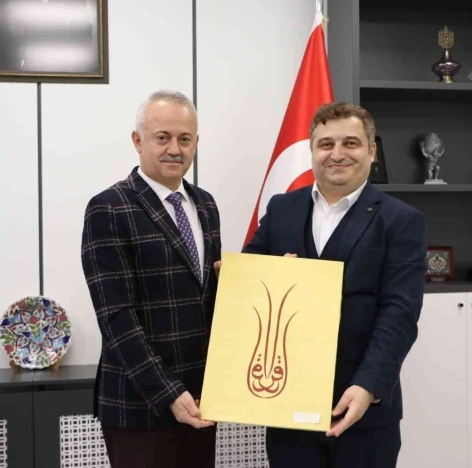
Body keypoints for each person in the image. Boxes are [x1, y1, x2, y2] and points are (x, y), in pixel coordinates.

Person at [241, 102, 427, 468]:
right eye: (325, 144)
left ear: (371, 151)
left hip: (363, 409)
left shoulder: (402, 220)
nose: (337, 154)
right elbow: (247, 285)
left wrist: (368, 386)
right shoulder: (281, 209)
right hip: (287, 406)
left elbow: (400, 312)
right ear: (311, 150)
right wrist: (266, 275)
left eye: (350, 143)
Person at [81, 90, 221, 468]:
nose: (175, 149)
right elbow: (116, 318)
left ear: (196, 142)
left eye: (185, 139)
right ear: (138, 140)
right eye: (163, 137)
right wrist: (168, 392)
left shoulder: (206, 204)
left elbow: (208, 298)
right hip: (139, 404)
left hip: (201, 400)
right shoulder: (108, 208)